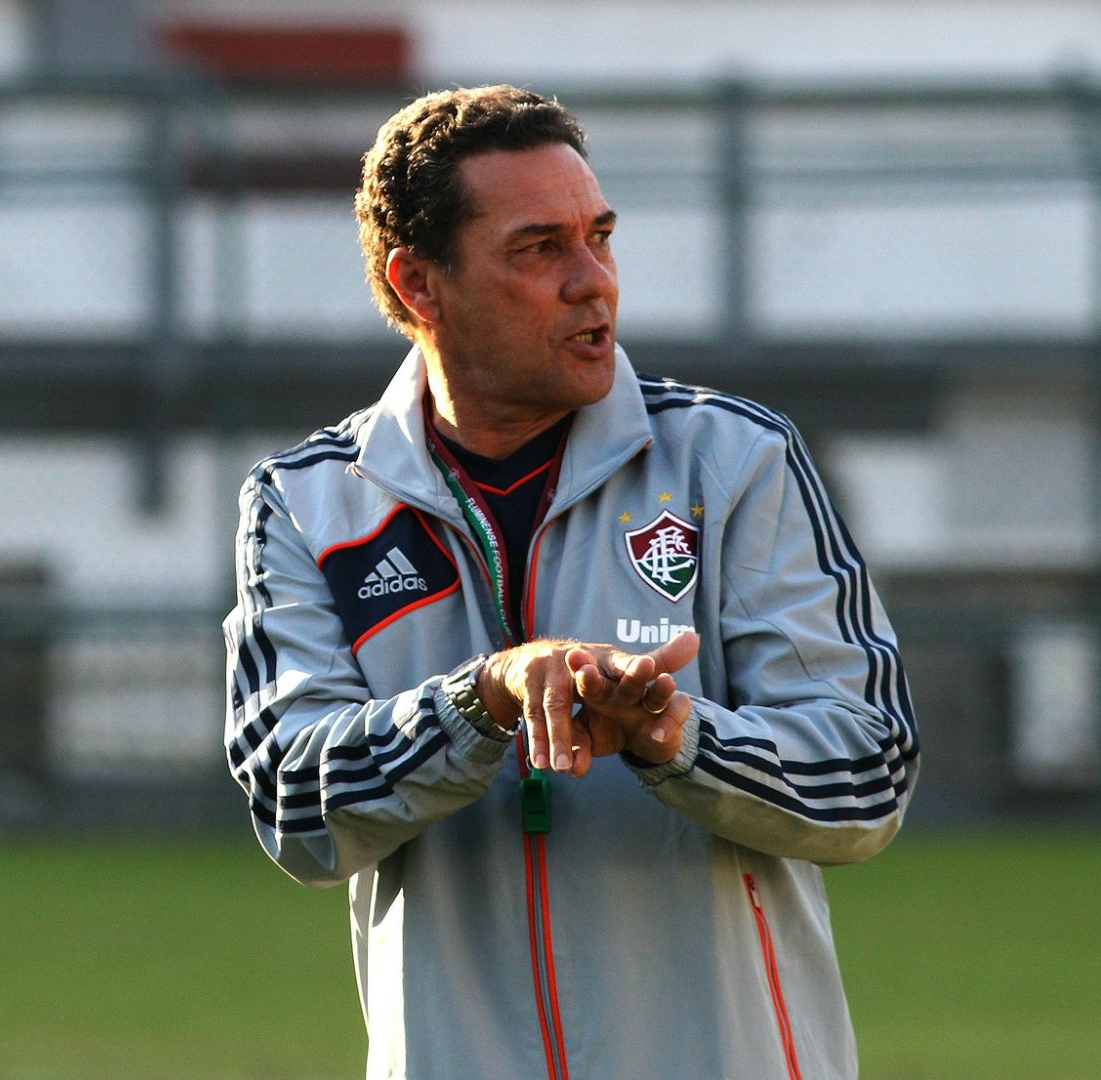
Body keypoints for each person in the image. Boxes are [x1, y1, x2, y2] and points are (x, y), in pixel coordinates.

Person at [222, 85, 917, 1080]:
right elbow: (295, 806)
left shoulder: (735, 462)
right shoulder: (309, 505)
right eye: (539, 248)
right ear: (420, 285)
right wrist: (482, 699)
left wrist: (680, 738)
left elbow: (868, 772)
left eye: (600, 237)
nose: (594, 282)